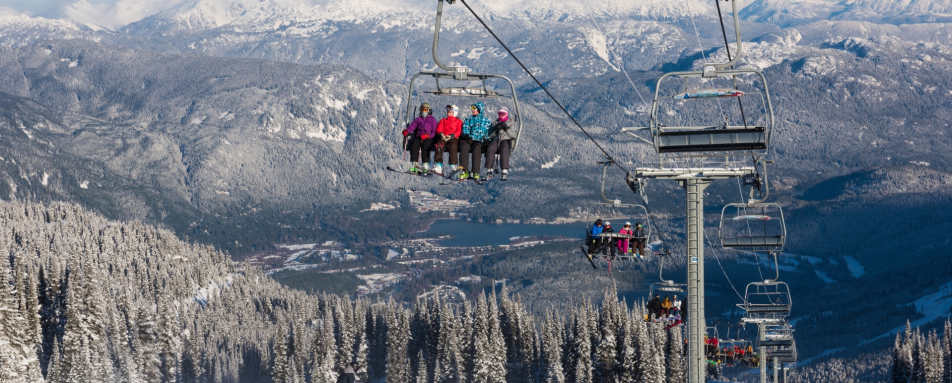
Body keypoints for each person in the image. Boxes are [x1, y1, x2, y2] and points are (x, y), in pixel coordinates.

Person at [458, 102, 491, 180]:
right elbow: (465, 128)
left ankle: (475, 171)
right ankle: (464, 170)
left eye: (474, 108)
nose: (472, 110)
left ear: (479, 110)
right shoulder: (469, 120)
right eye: (472, 108)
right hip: (469, 139)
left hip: (479, 140)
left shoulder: (486, 121)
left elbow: (488, 132)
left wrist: (486, 139)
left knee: (477, 149)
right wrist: (467, 136)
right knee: (464, 147)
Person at [403, 103, 437, 174]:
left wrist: (428, 136)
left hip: (428, 137)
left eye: (426, 110)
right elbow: (412, 127)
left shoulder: (432, 120)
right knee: (414, 145)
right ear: (420, 110)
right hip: (419, 137)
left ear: (428, 111)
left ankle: (425, 166)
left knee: (426, 147)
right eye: (423, 109)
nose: (424, 111)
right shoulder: (418, 119)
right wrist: (407, 131)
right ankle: (414, 165)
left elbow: (434, 132)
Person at [485, 107, 516, 180]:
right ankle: (489, 169)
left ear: (506, 114)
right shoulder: (496, 122)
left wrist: (505, 128)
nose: (501, 115)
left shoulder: (510, 122)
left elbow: (513, 135)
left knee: (504, 150)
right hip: (496, 139)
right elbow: (489, 134)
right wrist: (495, 130)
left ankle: (504, 170)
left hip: (506, 139)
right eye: (499, 114)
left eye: (503, 114)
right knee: (490, 149)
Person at [433, 104, 462, 176]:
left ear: (455, 113)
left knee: (453, 147)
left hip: (453, 138)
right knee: (439, 145)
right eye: (448, 112)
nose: (449, 113)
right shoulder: (443, 120)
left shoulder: (458, 121)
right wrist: (441, 134)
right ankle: (438, 165)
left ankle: (453, 165)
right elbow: (439, 128)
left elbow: (459, 131)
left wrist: (452, 135)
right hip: (444, 137)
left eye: (451, 112)